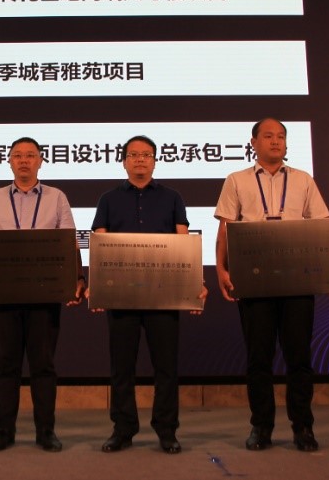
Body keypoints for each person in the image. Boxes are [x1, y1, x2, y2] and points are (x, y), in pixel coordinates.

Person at [214, 118, 329, 452]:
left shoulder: (303, 179)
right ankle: (261, 426)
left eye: (281, 136)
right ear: (254, 142)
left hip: (297, 279)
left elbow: (322, 226)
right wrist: (220, 268)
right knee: (258, 358)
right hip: (253, 279)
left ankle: (303, 427)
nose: (275, 141)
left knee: (299, 357)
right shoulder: (236, 180)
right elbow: (226, 228)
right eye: (268, 136)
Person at [0, 136, 85, 453]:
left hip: (44, 294)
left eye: (30, 155)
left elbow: (69, 241)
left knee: (43, 366)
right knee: (6, 366)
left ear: (40, 161)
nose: (24, 160)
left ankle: (46, 432)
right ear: (9, 161)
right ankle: (4, 431)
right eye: (18, 155)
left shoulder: (57, 197)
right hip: (2, 294)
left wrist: (77, 279)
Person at [90, 135, 207, 455]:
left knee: (166, 367)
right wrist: (98, 288)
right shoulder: (108, 199)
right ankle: (122, 429)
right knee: (122, 368)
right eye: (133, 155)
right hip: (121, 297)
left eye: (146, 154)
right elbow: (100, 243)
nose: (140, 159)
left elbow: (183, 243)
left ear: (155, 160)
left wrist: (193, 284)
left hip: (164, 295)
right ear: (123, 161)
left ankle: (167, 430)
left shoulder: (172, 198)